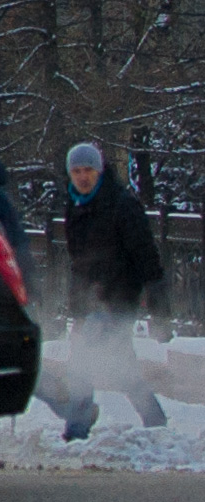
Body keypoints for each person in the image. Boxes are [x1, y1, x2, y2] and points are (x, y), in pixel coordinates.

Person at [49, 142, 168, 440]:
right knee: (122, 368)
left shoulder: (121, 204)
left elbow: (145, 253)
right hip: (91, 303)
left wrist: (156, 299)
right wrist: (77, 308)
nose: (82, 176)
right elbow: (79, 263)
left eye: (88, 170)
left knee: (81, 360)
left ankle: (76, 428)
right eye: (76, 171)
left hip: (118, 299)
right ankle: (156, 420)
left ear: (99, 170)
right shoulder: (75, 207)